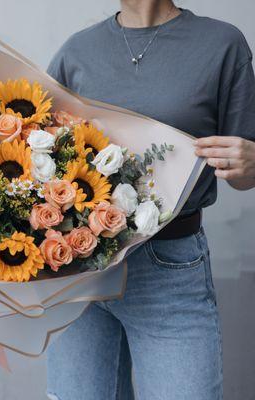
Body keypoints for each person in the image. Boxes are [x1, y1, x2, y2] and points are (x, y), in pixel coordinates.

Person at [45, 1, 255, 399]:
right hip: (80, 271)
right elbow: (42, 156)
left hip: (170, 268)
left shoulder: (222, 44)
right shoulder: (77, 51)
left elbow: (244, 173)